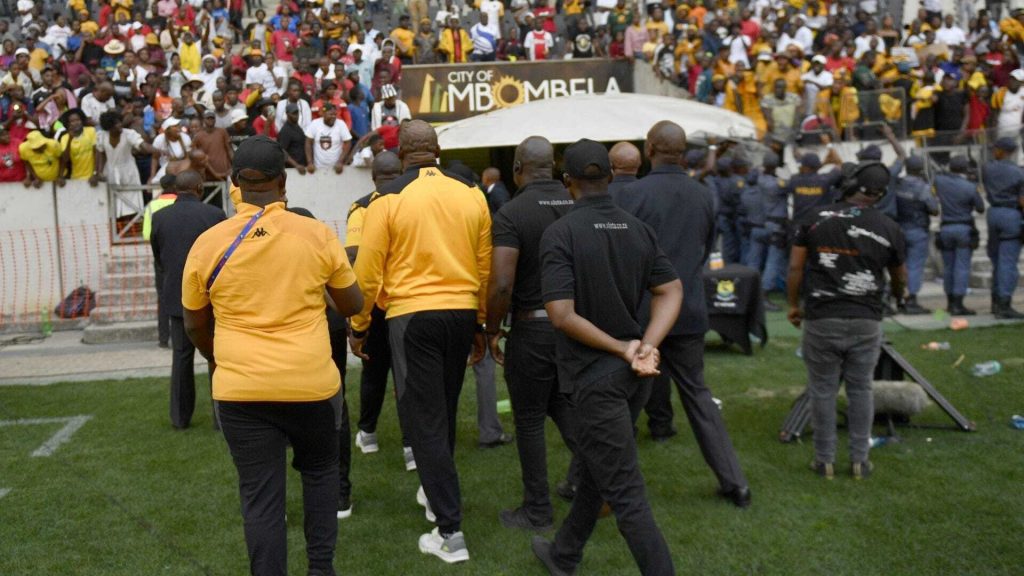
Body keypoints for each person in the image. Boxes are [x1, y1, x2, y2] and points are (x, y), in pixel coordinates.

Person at [182, 136, 363, 575]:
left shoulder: (208, 242)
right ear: (284, 184)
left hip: (241, 388)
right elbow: (353, 303)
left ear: (234, 185)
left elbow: (193, 323)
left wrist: (218, 357)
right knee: (320, 478)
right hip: (311, 383)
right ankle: (322, 569)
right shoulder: (316, 234)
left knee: (261, 498)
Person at [532, 138, 681, 576]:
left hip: (597, 377)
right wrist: (645, 345)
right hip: (631, 376)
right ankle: (564, 555)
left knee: (625, 491)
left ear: (567, 182)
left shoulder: (560, 232)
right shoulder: (636, 228)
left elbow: (560, 315)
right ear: (612, 178)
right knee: (599, 472)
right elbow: (671, 289)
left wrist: (631, 347)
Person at [349, 120, 490, 564]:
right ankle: (435, 496)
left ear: (401, 152)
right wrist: (481, 324)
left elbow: (367, 273)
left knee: (425, 417)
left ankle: (450, 532)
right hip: (461, 311)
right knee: (442, 411)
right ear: (437, 150)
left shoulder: (386, 199)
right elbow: (483, 268)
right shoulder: (471, 194)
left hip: (413, 315)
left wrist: (357, 325)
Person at [615, 122, 751, 508]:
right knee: (697, 396)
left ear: (650, 148)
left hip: (644, 316)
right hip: (688, 309)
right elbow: (706, 248)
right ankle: (734, 482)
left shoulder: (632, 195)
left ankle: (585, 481)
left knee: (624, 402)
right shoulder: (703, 194)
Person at [787, 161, 907, 480]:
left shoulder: (813, 220)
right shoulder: (889, 227)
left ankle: (824, 460)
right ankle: (859, 460)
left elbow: (796, 269)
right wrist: (899, 296)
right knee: (861, 389)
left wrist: (792, 306)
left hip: (821, 317)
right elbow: (899, 276)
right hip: (866, 319)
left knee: (822, 390)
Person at [486, 135, 577, 533]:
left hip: (533, 326)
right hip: (577, 327)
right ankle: (605, 481)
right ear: (554, 167)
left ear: (518, 169)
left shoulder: (511, 212)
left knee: (529, 420)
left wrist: (492, 329)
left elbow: (502, 283)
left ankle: (537, 509)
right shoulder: (578, 203)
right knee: (564, 407)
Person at [346, 152, 416, 472]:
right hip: (409, 300)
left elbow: (355, 256)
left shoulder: (362, 207)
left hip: (375, 303)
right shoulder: (414, 201)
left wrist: (355, 318)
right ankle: (411, 446)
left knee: (373, 373)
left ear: (373, 177)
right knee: (408, 375)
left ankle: (368, 433)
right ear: (401, 171)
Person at [150, 169, 225, 429]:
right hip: (211, 298)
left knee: (181, 358)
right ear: (200, 188)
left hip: (177, 298)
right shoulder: (215, 215)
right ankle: (221, 418)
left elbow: (159, 259)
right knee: (217, 357)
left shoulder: (159, 217)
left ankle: (180, 418)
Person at [934, 155, 985, 316]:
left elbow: (934, 180)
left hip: (946, 228)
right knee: (961, 268)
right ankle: (958, 303)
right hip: (963, 228)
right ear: (965, 169)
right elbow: (980, 208)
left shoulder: (940, 182)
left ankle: (949, 302)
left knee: (948, 267)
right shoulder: (970, 187)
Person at [981, 137, 1024, 319]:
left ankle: (995, 301)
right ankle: (1004, 303)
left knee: (997, 260)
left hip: (993, 213)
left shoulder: (988, 168)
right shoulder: (1018, 173)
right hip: (1010, 214)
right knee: (1008, 262)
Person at [892, 155, 938, 315]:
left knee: (898, 265)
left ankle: (897, 297)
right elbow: (934, 209)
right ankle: (911, 299)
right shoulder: (923, 187)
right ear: (920, 169)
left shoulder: (898, 184)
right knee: (915, 266)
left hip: (898, 228)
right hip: (917, 229)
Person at [304, 103, 352, 174]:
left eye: (335, 114)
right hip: (318, 168)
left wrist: (340, 161)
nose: (333, 117)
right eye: (330, 114)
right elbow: (308, 142)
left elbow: (348, 142)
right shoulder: (315, 124)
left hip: (336, 168)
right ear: (323, 114)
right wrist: (310, 162)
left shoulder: (341, 124)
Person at [192, 109, 234, 182]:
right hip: (208, 175)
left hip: (225, 172)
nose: (210, 120)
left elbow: (229, 150)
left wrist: (234, 165)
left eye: (212, 118)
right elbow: (197, 158)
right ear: (204, 120)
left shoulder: (222, 132)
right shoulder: (198, 136)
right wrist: (214, 173)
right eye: (208, 118)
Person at [58, 109, 96, 182]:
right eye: (72, 121)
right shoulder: (65, 138)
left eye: (78, 120)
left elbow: (96, 153)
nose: (76, 123)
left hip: (92, 177)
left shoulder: (91, 131)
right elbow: (65, 159)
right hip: (76, 178)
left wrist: (95, 173)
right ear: (68, 124)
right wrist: (70, 139)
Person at [277, 102, 309, 172]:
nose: (296, 115)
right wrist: (296, 165)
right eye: (293, 113)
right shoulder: (285, 130)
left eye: (297, 113)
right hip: (292, 170)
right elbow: (282, 151)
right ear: (287, 114)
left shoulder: (297, 127)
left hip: (302, 167)